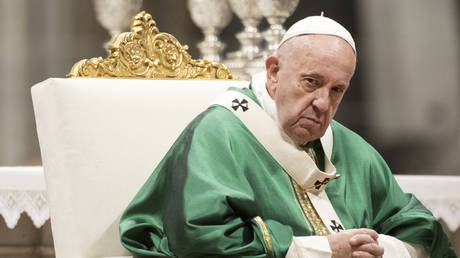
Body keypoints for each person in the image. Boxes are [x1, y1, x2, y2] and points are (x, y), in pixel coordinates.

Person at [119, 16, 456, 257]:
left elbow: (418, 228)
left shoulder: (351, 148)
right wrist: (322, 251)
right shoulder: (220, 134)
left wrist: (382, 250)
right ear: (274, 71)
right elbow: (200, 240)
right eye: (311, 81)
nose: (323, 103)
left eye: (337, 89)